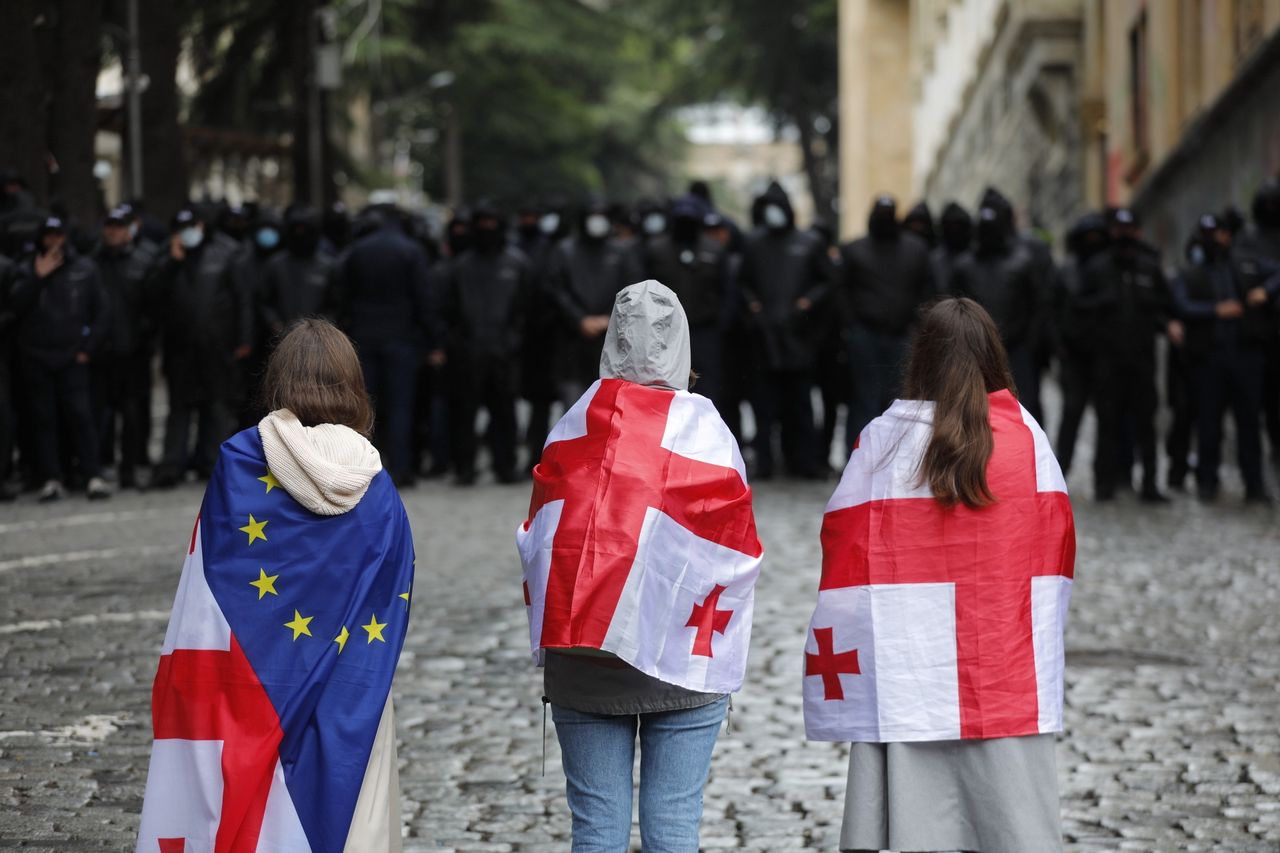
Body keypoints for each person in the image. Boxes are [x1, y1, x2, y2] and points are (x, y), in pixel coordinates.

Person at [805, 297, 1074, 853]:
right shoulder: (1026, 439)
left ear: (920, 359)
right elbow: (1053, 548)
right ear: (994, 358)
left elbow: (844, 544)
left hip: (908, 672)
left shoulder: (884, 440)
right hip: (1002, 670)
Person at [136, 318, 413, 849]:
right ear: (354, 387)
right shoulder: (375, 484)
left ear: (277, 384)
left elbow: (207, 593)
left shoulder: (239, 464)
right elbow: (393, 590)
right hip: (353, 690)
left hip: (246, 693)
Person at [518, 280, 762, 853]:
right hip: (682, 658)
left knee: (597, 829)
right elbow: (734, 549)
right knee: (674, 826)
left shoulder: (572, 429)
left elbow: (541, 541)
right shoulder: (706, 433)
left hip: (584, 660)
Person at [1171, 214, 1280, 502]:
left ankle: (1254, 484)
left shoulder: (1246, 263)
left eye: (1217, 233)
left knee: (1249, 424)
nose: (1214, 239)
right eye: (1208, 233)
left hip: (1246, 355)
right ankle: (1207, 482)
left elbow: (1275, 274)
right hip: (1209, 358)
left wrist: (1264, 292)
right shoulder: (1191, 272)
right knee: (1209, 424)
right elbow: (1181, 304)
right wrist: (1215, 310)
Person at [330, 206, 438, 486]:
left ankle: (367, 467)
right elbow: (424, 299)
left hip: (363, 336)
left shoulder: (357, 250)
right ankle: (402, 467)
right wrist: (433, 340)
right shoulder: (411, 250)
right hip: (401, 338)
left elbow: (341, 296)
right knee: (402, 406)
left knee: (365, 406)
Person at [9, 216, 113, 501]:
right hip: (38, 358)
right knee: (44, 421)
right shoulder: (26, 268)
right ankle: (51, 477)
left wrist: (87, 349)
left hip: (72, 357)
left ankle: (92, 473)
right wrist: (36, 277)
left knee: (81, 416)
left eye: (59, 236)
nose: (54, 242)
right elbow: (15, 307)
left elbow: (102, 312)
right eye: (49, 236)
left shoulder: (84, 268)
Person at [148, 208, 252, 486]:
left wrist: (244, 338)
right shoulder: (167, 256)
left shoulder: (227, 253)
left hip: (216, 345)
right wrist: (172, 262)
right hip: (179, 346)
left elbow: (242, 297)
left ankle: (212, 461)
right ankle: (173, 463)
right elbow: (151, 295)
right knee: (179, 407)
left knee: (216, 405)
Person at [1077, 208, 1172, 502]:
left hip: (1142, 360)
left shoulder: (1149, 266)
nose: (1124, 235)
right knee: (1108, 424)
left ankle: (1150, 484)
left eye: (1130, 229)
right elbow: (1079, 308)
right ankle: (1104, 484)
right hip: (1107, 361)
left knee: (1146, 425)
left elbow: (1165, 305)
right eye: (1119, 229)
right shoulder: (1097, 267)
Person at [738, 182, 830, 479]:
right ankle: (765, 464)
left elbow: (828, 281)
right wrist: (753, 306)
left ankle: (802, 463)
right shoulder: (753, 244)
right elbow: (741, 282)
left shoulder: (809, 243)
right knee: (764, 409)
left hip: (798, 339)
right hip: (764, 341)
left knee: (800, 408)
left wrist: (807, 304)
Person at [441, 203, 531, 485]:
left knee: (504, 412)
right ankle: (465, 466)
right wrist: (459, 344)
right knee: (464, 412)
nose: (488, 229)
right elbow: (448, 309)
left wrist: (513, 340)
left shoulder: (516, 263)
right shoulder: (461, 267)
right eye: (483, 222)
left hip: (503, 351)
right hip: (469, 351)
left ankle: (505, 465)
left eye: (493, 222)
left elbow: (527, 307)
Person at [838, 195, 935, 446]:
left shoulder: (915, 250)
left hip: (902, 335)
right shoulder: (854, 250)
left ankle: (899, 454)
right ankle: (858, 455)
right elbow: (841, 291)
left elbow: (927, 289)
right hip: (865, 335)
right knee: (864, 399)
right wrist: (852, 327)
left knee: (901, 400)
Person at [545, 198, 643, 402]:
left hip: (611, 342)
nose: (597, 222)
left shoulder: (621, 252)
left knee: (609, 406)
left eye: (602, 217)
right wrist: (579, 319)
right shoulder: (564, 251)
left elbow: (632, 289)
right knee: (573, 406)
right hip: (572, 342)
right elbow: (555, 290)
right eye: (593, 217)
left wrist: (609, 318)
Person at [950, 205, 1043, 420]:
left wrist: (1030, 343)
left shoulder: (1021, 262)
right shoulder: (964, 266)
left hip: (1017, 348)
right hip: (975, 349)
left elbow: (1036, 305)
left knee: (1024, 406)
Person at [644, 195, 730, 408]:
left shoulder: (714, 250)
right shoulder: (656, 250)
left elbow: (727, 292)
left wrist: (721, 327)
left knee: (708, 392)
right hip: (664, 335)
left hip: (705, 332)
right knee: (665, 391)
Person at [92, 205, 156, 490]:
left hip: (133, 352)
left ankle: (129, 468)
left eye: (119, 226)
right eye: (109, 226)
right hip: (99, 351)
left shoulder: (144, 262)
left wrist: (144, 338)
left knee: (132, 415)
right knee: (98, 413)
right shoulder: (93, 262)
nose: (113, 232)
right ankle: (98, 465)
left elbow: (154, 306)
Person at [1053, 213, 1109, 478]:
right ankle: (1060, 469)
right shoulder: (1067, 271)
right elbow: (1054, 310)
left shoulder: (1107, 269)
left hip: (1103, 354)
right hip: (1074, 354)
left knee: (1107, 414)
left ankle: (1104, 475)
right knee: (1072, 412)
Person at [259, 206, 335, 337]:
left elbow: (335, 305)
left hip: (318, 339)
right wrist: (274, 323)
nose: (301, 235)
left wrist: (321, 329)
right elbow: (263, 300)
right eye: (296, 230)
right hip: (281, 337)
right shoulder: (275, 264)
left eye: (305, 230)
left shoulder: (328, 266)